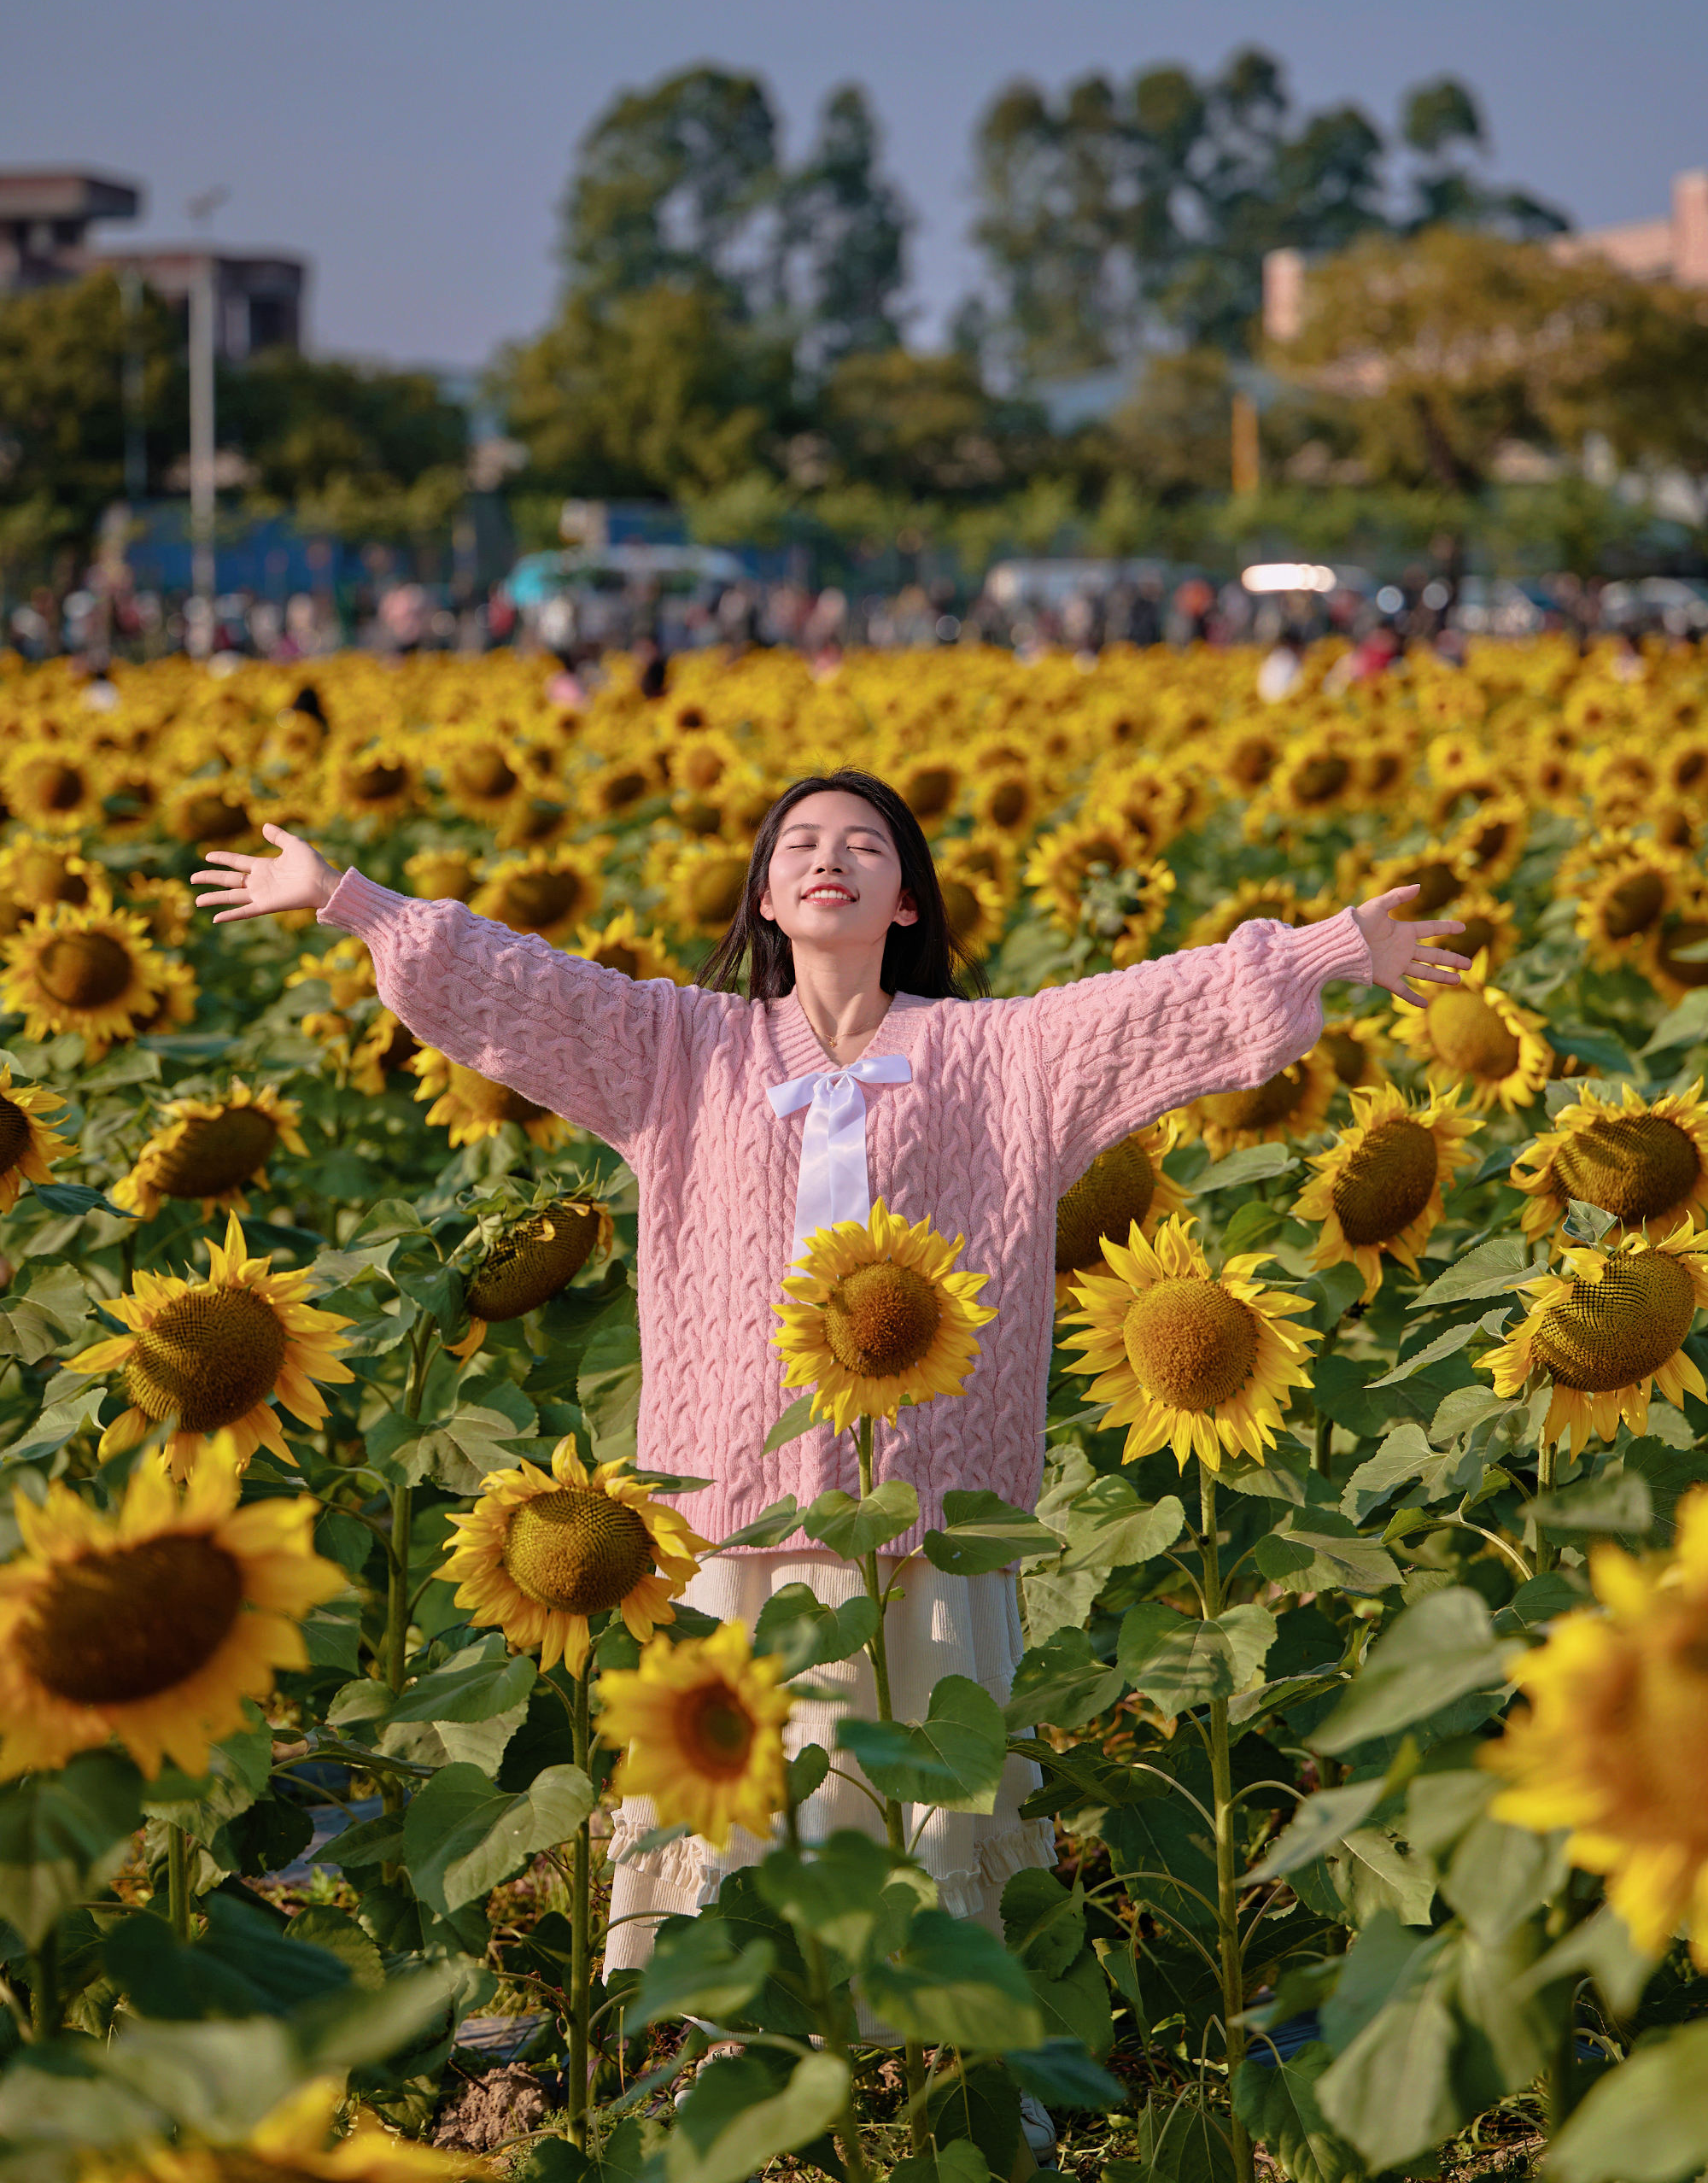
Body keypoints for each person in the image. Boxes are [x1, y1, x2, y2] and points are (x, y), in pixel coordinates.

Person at [192, 771, 1465, 2071]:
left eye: (865, 845)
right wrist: (351, 904)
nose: (829, 859)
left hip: (928, 1501)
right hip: (736, 1494)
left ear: (906, 900)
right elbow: (526, 991)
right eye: (800, 842)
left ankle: (936, 2062)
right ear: (764, 894)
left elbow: (1158, 1009)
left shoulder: (1002, 1056)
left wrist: (1330, 948)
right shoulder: (681, 1051)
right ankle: (726, 2052)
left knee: (925, 1774)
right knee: (737, 1786)